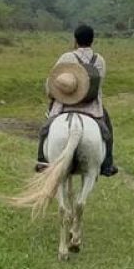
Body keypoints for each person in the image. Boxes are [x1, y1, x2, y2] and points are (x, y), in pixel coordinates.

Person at [36, 24, 118, 177]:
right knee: (107, 131)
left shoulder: (67, 57)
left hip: (66, 105)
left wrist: (52, 94)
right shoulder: (100, 60)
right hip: (92, 106)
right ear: (92, 40)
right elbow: (99, 84)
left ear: (75, 40)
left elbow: (52, 82)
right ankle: (107, 164)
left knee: (45, 129)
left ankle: (42, 160)